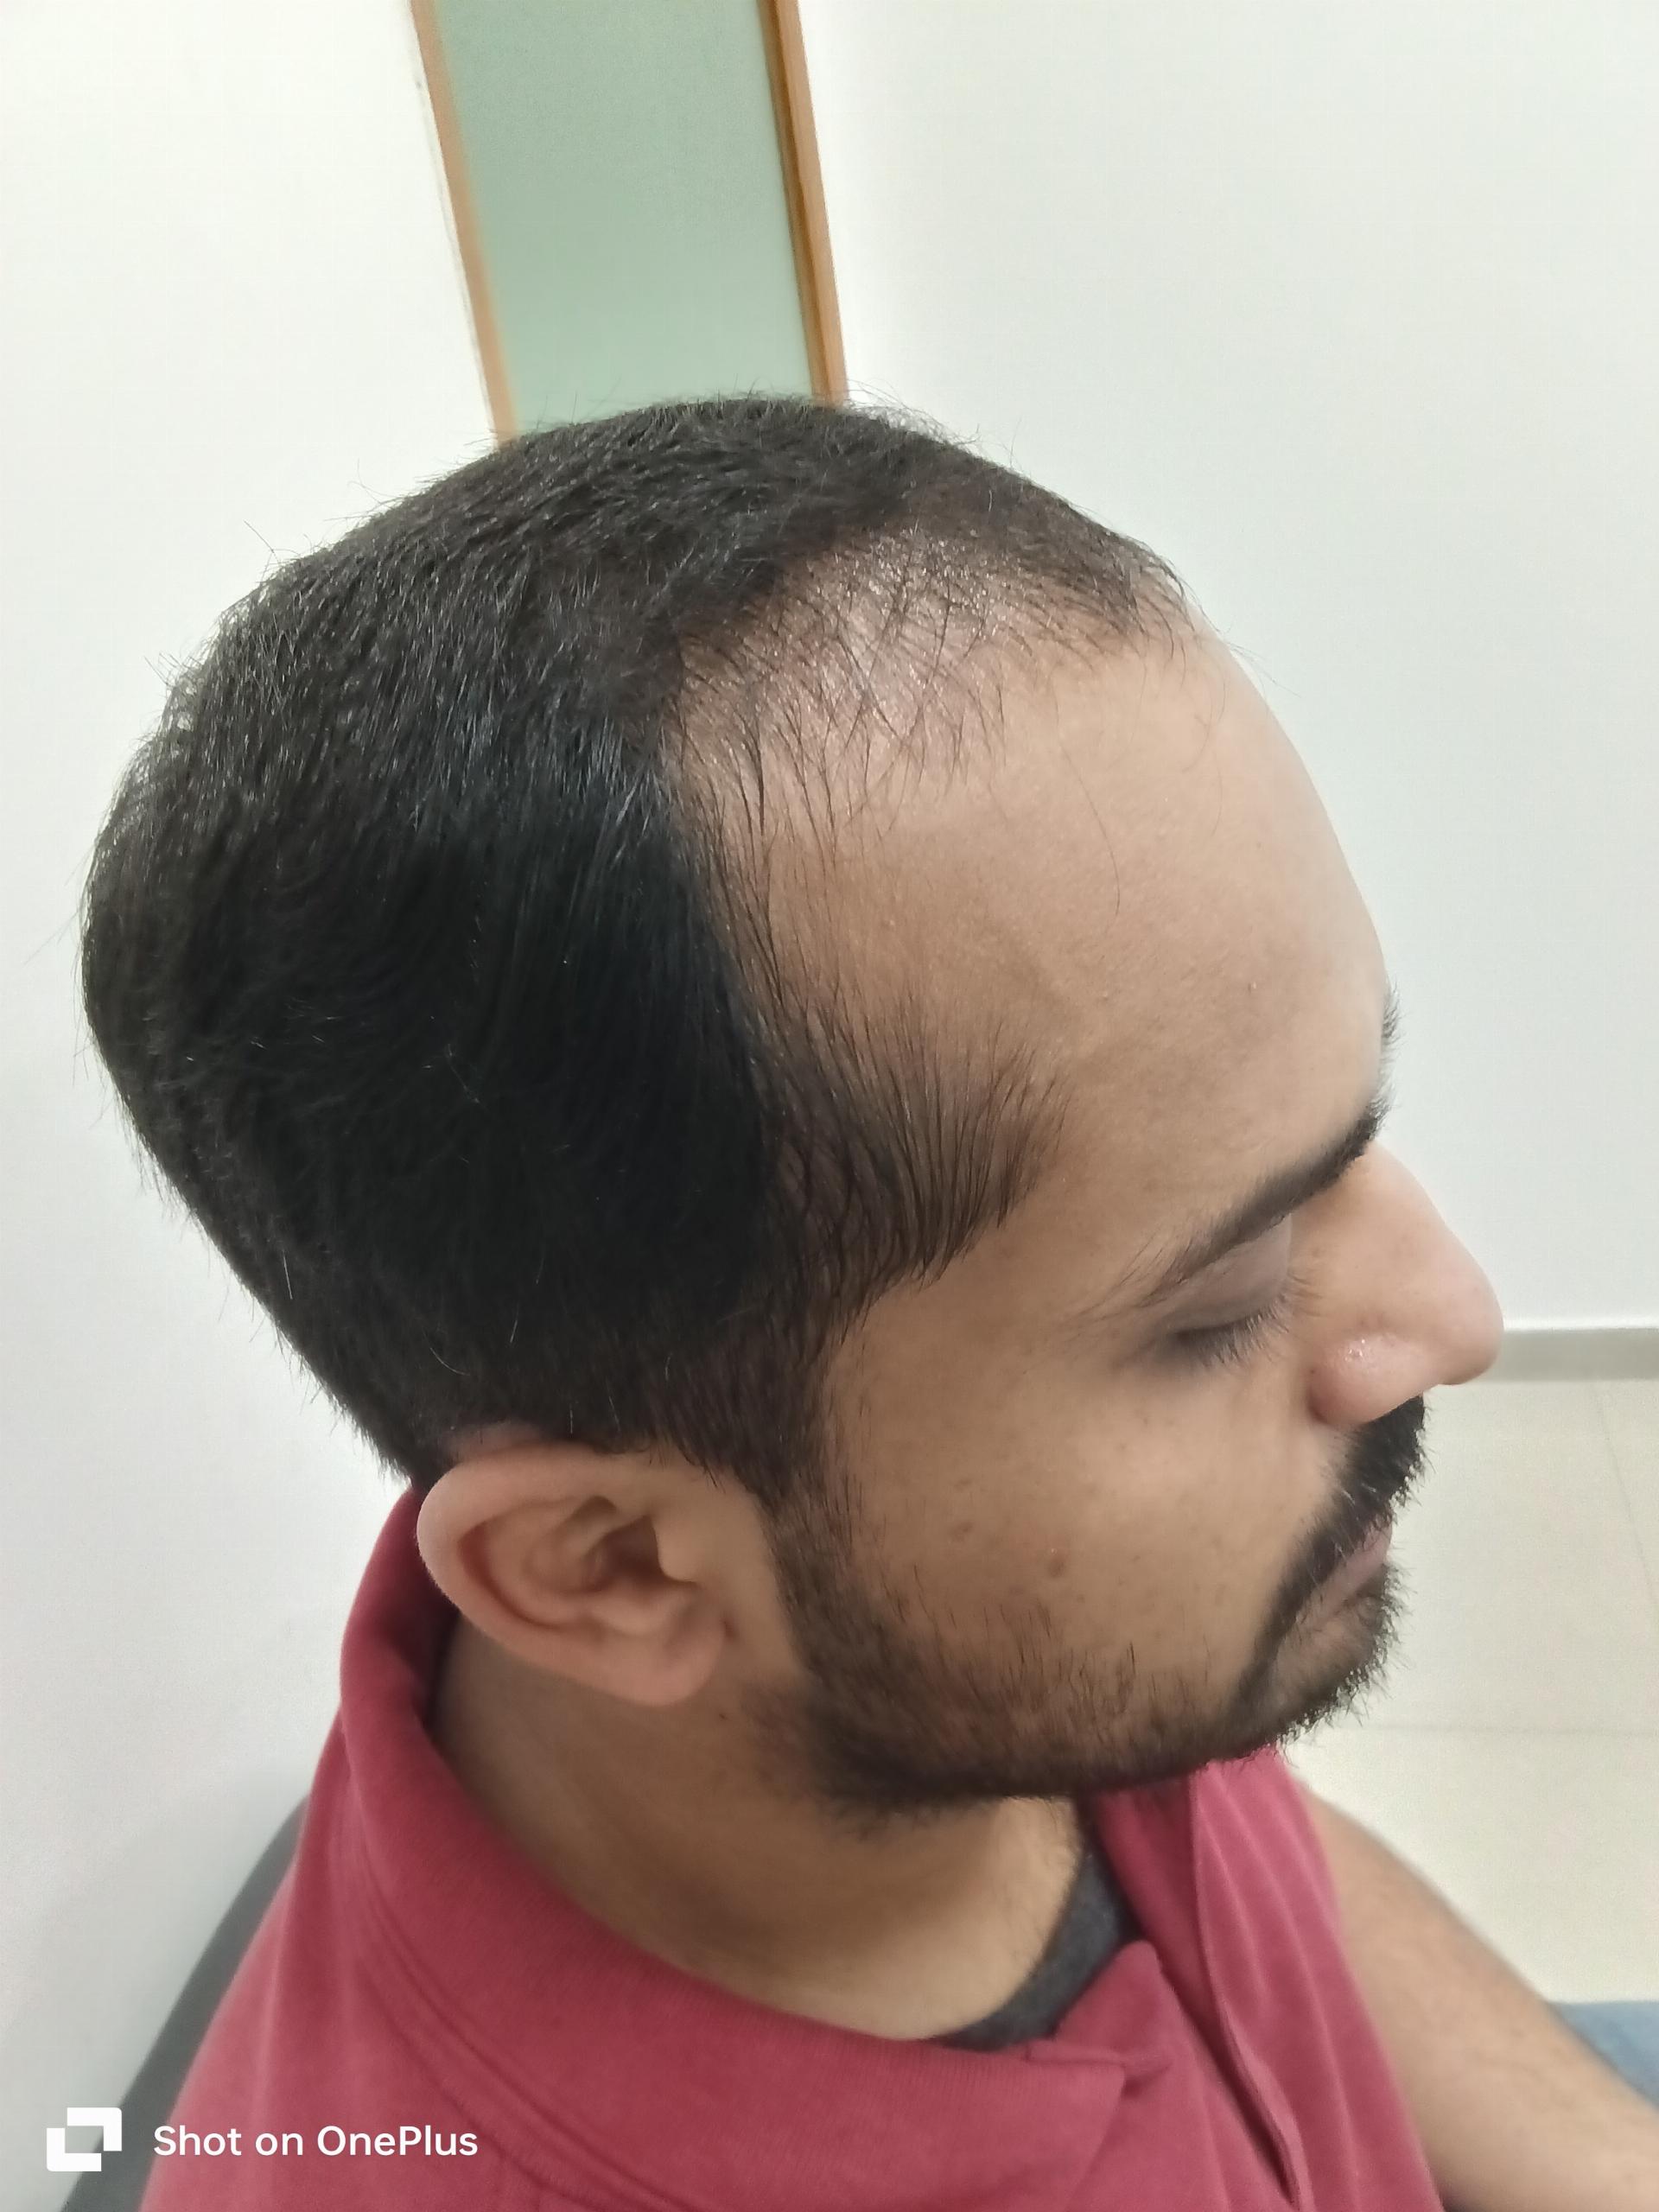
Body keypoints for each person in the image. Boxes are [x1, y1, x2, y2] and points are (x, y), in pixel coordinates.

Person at [78, 396, 1659, 2210]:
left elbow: (1255, 1872)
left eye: (1349, 1143)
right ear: (614, 1566)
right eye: (1217, 1305)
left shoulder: (927, 1619)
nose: (1452, 1314)